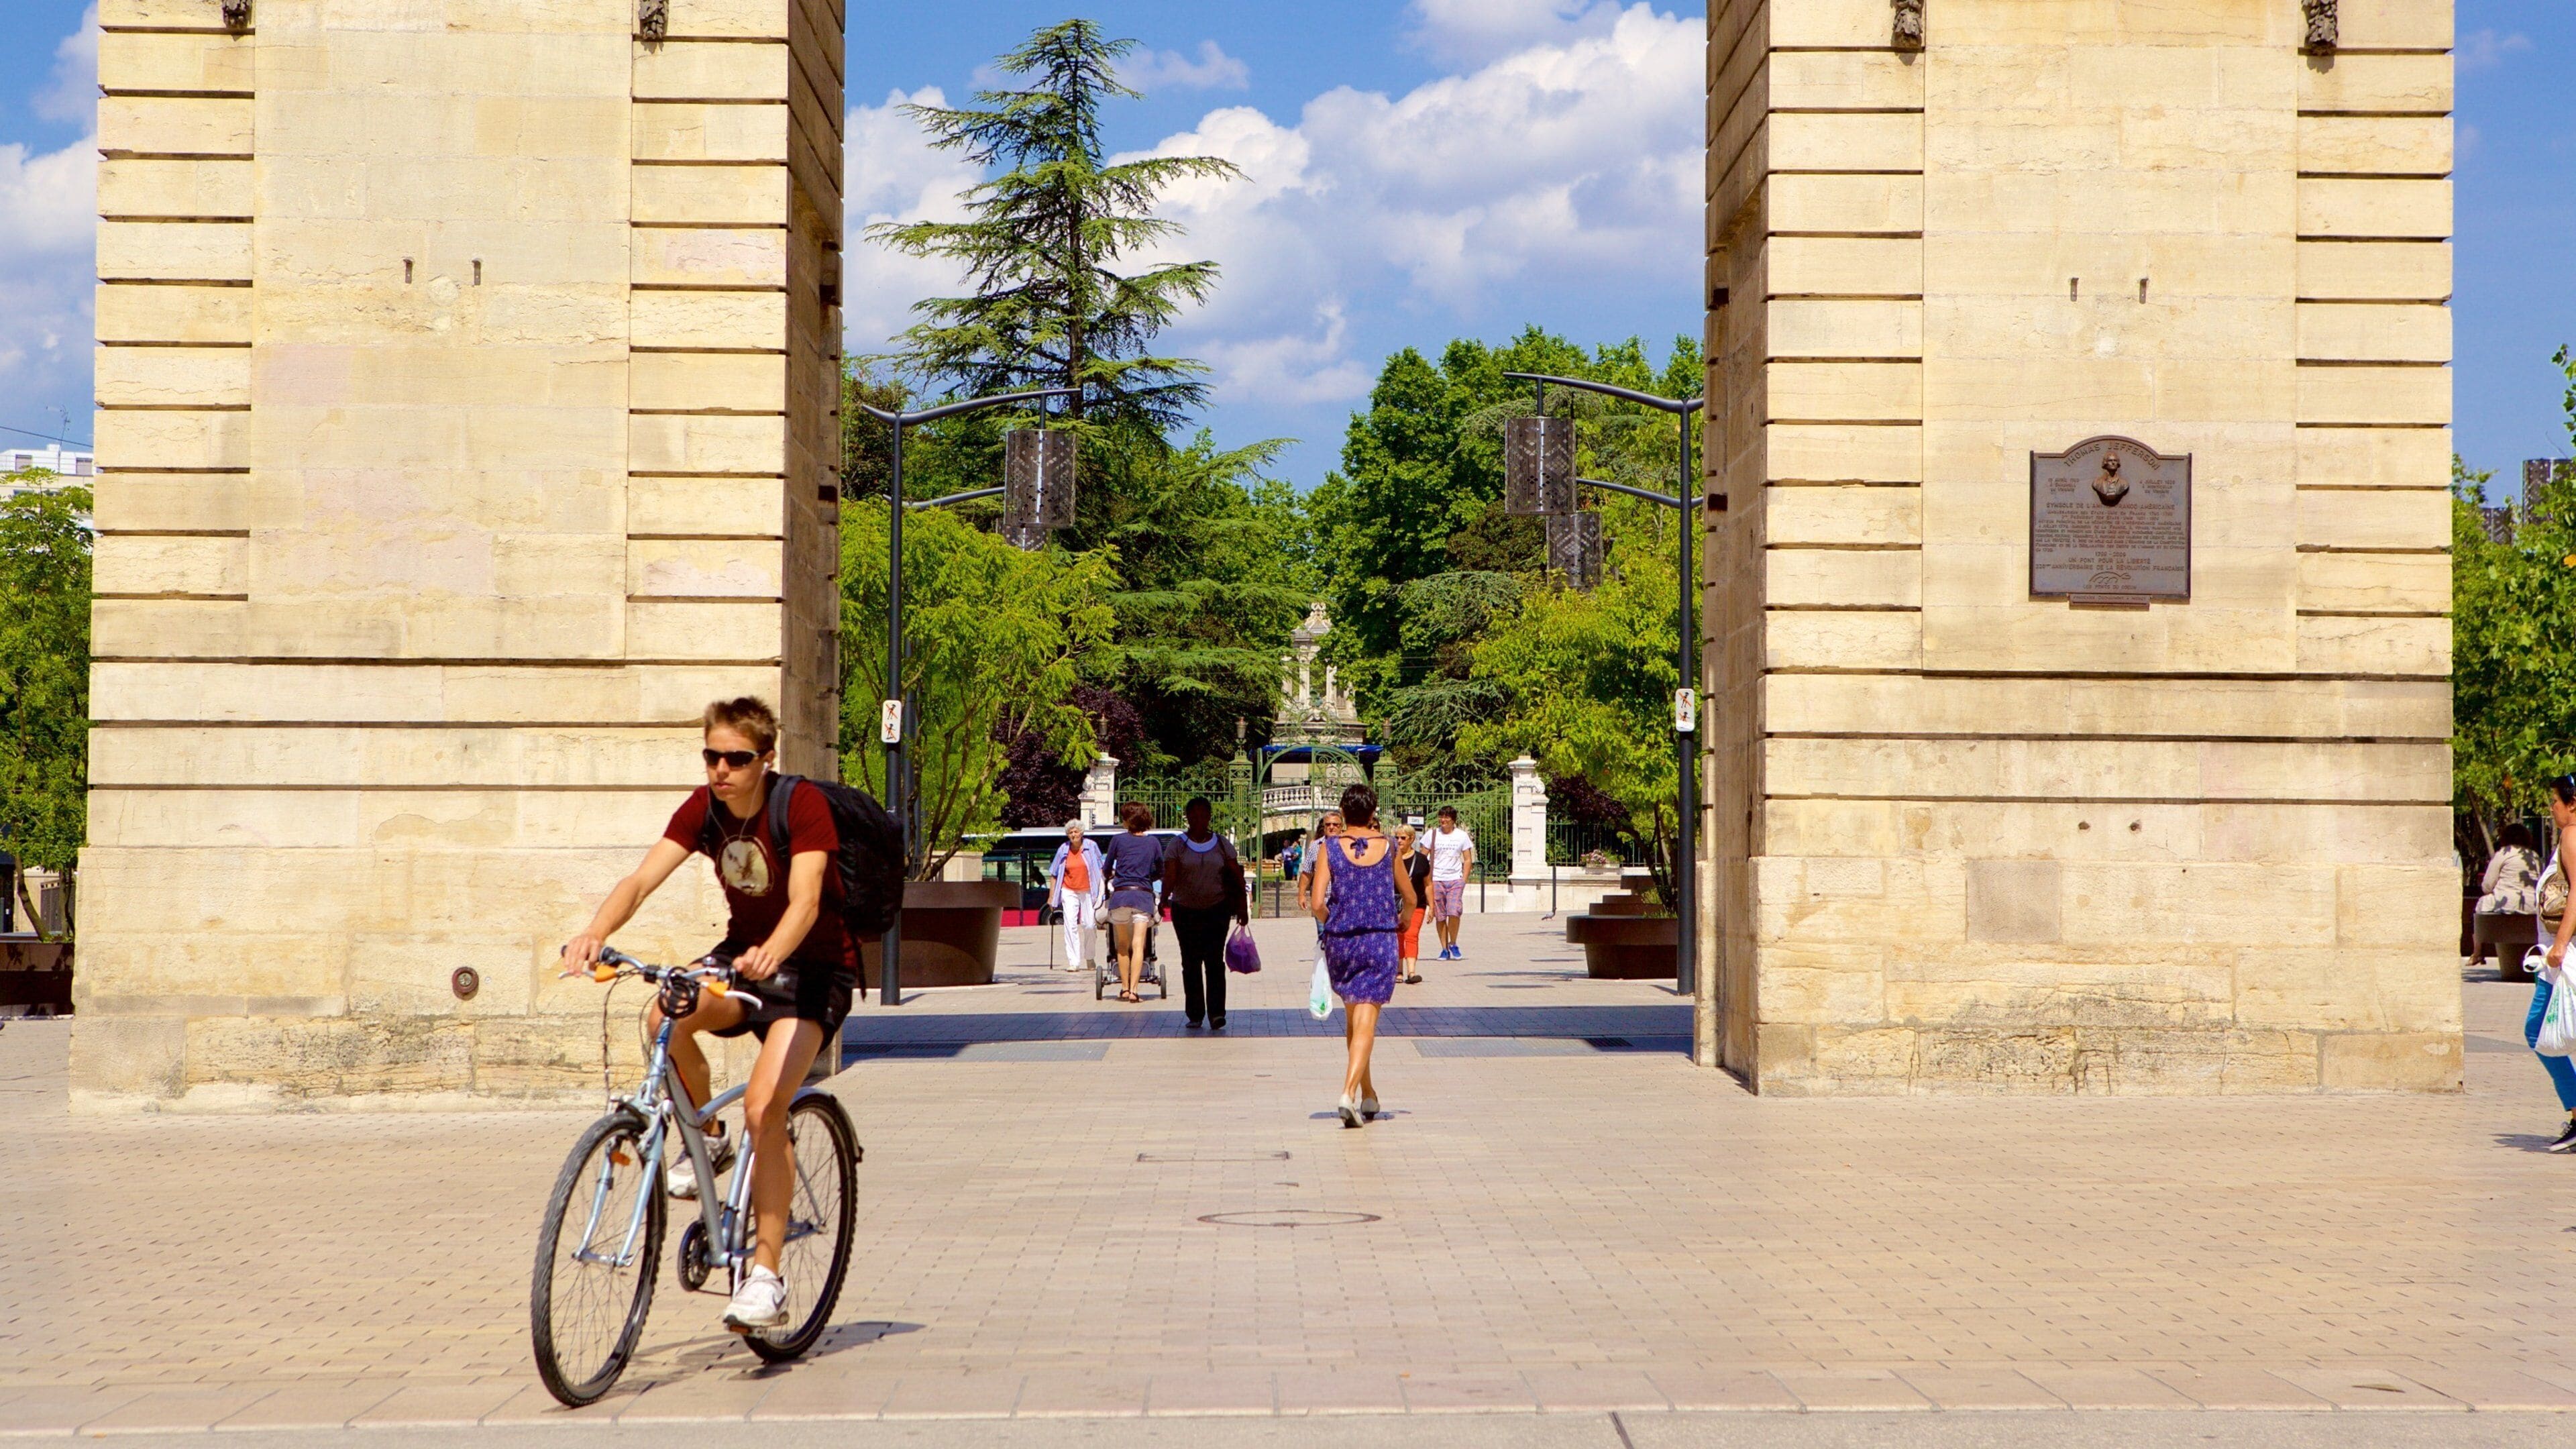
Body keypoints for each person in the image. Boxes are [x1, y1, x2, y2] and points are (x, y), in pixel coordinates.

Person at [559, 696, 855, 1332]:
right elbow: (641, 881)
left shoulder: (801, 805)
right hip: (740, 959)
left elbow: (806, 901)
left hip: (811, 973)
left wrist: (775, 951)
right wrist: (594, 932)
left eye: (737, 759)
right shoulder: (704, 809)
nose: (721, 770)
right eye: (712, 757)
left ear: (765, 758)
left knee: (764, 1110)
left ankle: (767, 1278)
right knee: (664, 1014)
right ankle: (710, 1138)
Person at [1310, 784, 1415, 1128]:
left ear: (1343, 813)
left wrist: (1336, 921)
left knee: (1355, 1020)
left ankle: (1369, 1094)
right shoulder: (1388, 846)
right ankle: (1348, 1093)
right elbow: (1410, 897)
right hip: (1379, 940)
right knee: (1366, 1021)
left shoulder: (1329, 847)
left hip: (1342, 942)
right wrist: (1403, 919)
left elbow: (1317, 903)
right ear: (1372, 813)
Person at [1164, 796, 1249, 1029]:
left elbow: (1237, 877)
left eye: (1203, 814)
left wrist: (1242, 907)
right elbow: (1170, 876)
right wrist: (1163, 900)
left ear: (1210, 817)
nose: (1199, 819)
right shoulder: (1177, 845)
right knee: (1190, 962)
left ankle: (1217, 1013)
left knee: (1214, 961)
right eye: (1194, 815)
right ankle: (1195, 1013)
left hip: (1216, 910)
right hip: (1185, 911)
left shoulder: (1222, 844)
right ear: (1188, 817)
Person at [2536, 782, 2576, 1150]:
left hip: (2562, 959)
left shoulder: (2571, 836)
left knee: (2537, 1029)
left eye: (2555, 801)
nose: (2552, 808)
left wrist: (2560, 945)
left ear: (2573, 803)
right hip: (2562, 955)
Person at [1099, 802, 1167, 1003]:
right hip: (1143, 898)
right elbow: (1161, 870)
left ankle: (1125, 988)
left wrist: (1114, 876)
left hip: (1121, 896)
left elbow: (1106, 868)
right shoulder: (1153, 842)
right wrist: (1147, 879)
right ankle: (1135, 991)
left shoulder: (1118, 840)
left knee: (1122, 945)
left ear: (1128, 821)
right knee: (1139, 945)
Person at [1049, 820, 1106, 974]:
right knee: (1070, 925)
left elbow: (1101, 869)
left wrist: (1104, 890)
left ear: (1081, 832)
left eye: (1076, 832)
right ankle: (1073, 962)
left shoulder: (1091, 846)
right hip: (1069, 890)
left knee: (1089, 925)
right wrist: (1051, 897)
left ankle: (1090, 957)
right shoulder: (1063, 849)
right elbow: (1054, 873)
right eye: (1070, 833)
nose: (1073, 835)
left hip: (1089, 891)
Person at [1423, 806, 1475, 961]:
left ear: (1453, 820)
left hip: (1455, 879)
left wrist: (1463, 880)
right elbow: (1422, 857)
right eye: (1441, 817)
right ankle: (1444, 949)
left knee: (1454, 911)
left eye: (1446, 817)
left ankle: (1453, 943)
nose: (1443, 820)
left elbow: (1467, 859)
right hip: (1436, 879)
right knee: (1440, 916)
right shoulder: (1432, 834)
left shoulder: (1462, 836)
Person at [1392, 823, 1432, 986]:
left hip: (1417, 904)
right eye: (1397, 838)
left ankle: (1412, 972)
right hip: (1395, 903)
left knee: (1411, 935)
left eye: (1403, 838)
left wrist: (1432, 906)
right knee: (1398, 936)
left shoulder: (1421, 860)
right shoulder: (1390, 858)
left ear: (1412, 839)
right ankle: (1399, 971)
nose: (1399, 841)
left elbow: (1428, 884)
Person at [2480, 823, 2542, 916]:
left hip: (2505, 904)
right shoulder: (2535, 856)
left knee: (2482, 905)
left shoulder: (2503, 853)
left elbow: (2487, 886)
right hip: (2533, 905)